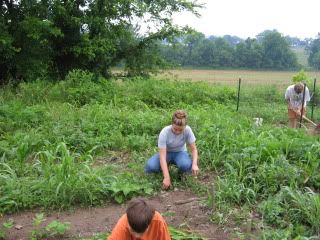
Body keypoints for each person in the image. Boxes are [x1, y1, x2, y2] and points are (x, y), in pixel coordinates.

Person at [145, 110, 199, 190]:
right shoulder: (164, 132)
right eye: (175, 129)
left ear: (185, 126)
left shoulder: (188, 130)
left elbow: (194, 149)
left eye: (180, 130)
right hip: (167, 153)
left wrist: (194, 164)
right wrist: (167, 177)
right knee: (151, 166)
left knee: (186, 165)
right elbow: (162, 157)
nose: (177, 132)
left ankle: (181, 174)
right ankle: (163, 171)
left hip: (180, 152)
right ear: (172, 124)